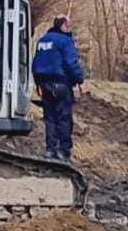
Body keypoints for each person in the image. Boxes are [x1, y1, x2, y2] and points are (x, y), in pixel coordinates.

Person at [31, 13, 86, 161]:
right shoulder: (65, 41)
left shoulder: (42, 41)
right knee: (63, 119)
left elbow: (35, 64)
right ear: (62, 26)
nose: (70, 28)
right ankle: (63, 152)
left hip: (43, 85)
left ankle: (50, 150)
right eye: (68, 25)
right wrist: (80, 81)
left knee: (50, 119)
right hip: (61, 85)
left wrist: (38, 85)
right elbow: (71, 63)